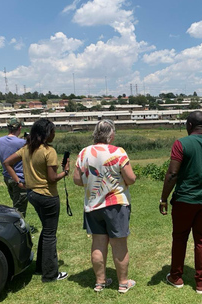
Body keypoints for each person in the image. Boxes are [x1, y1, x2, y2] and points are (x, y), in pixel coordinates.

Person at [159, 111, 202, 294]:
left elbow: (173, 173)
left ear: (189, 125)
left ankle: (176, 277)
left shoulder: (181, 143)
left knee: (180, 237)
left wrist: (164, 198)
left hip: (184, 200)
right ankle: (201, 283)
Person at [73, 120, 137, 294]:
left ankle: (100, 282)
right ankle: (123, 282)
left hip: (93, 205)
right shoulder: (118, 152)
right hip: (116, 205)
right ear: (112, 135)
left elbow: (77, 180)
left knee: (98, 243)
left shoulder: (83, 153)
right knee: (119, 244)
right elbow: (131, 178)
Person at [4, 118, 70, 283]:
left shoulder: (26, 148)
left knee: (46, 231)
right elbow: (52, 178)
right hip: (48, 196)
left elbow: (7, 163)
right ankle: (50, 274)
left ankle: (41, 266)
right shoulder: (49, 151)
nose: (54, 134)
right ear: (47, 133)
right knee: (50, 234)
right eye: (53, 131)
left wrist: (19, 182)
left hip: (32, 194)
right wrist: (66, 172)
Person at [0, 117, 28, 217]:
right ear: (20, 128)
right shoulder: (22, 143)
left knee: (15, 203)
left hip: (7, 176)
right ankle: (19, 228)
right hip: (19, 178)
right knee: (20, 209)